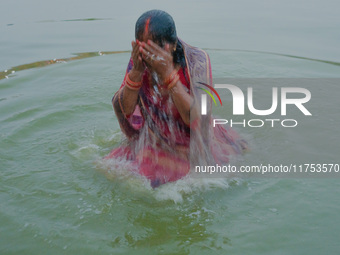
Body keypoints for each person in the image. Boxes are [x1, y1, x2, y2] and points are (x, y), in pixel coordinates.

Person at [105, 10, 246, 188]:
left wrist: (169, 76)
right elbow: (125, 109)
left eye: (154, 50)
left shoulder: (196, 61)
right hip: (155, 137)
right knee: (109, 170)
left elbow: (197, 117)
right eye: (143, 50)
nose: (149, 58)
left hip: (191, 141)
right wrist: (137, 72)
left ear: (172, 45)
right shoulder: (140, 59)